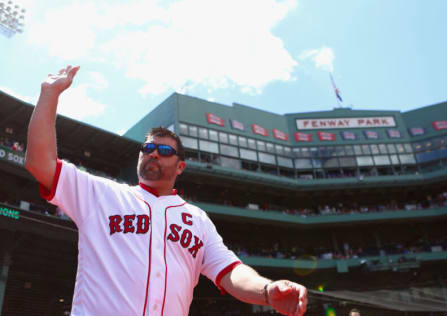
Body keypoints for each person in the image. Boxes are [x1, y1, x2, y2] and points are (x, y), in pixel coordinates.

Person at [25, 66, 308, 316]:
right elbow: (40, 162)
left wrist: (267, 289)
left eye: (163, 150)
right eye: (148, 148)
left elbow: (230, 272)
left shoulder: (197, 220)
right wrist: (49, 94)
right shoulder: (101, 194)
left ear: (180, 166)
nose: (153, 155)